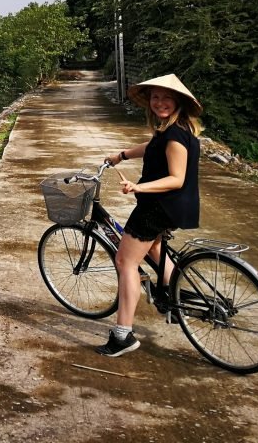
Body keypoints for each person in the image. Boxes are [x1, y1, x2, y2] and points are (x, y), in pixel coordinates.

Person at [98, 73, 203, 357]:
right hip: (175, 207)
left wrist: (138, 186)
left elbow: (176, 178)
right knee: (154, 247)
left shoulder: (176, 136)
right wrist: (122, 155)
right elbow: (153, 147)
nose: (160, 102)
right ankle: (174, 295)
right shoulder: (172, 129)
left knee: (125, 261)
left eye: (167, 97)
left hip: (160, 207)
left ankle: (123, 335)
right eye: (155, 97)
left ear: (178, 101)